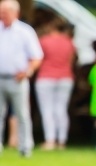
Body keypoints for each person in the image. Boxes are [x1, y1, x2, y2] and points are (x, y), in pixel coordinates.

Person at [0, 0, 43, 157]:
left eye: (5, 12)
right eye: (1, 11)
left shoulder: (25, 31)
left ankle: (25, 147)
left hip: (17, 78)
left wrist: (27, 71)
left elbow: (37, 56)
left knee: (22, 114)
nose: (2, 14)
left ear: (15, 13)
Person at [35, 20, 76, 150]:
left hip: (46, 77)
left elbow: (38, 58)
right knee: (61, 110)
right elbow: (71, 61)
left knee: (47, 110)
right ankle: (62, 141)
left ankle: (50, 140)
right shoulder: (69, 42)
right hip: (65, 77)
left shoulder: (44, 40)